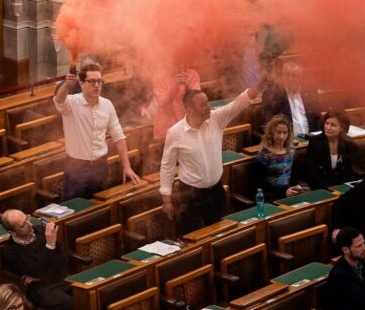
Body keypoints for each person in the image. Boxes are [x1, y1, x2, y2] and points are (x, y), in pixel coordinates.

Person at [160, 73, 269, 236]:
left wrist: (260, 84)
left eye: (208, 102)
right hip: (189, 196)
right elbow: (167, 167)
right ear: (189, 109)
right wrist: (166, 199)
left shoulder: (217, 119)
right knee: (192, 239)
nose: (209, 107)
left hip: (215, 192)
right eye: (203, 104)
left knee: (219, 237)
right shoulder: (175, 133)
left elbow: (240, 102)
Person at [53, 62, 141, 199]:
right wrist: (66, 86)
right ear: (82, 84)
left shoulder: (107, 105)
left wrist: (127, 166)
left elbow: (118, 136)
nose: (96, 85)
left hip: (100, 166)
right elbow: (59, 101)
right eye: (92, 81)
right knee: (75, 212)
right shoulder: (71, 103)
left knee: (99, 206)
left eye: (99, 81)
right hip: (77, 167)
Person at [0, 210, 72, 310]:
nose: (30, 224)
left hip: (62, 278)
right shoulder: (10, 252)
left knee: (84, 300)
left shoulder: (42, 231)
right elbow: (37, 271)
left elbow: (63, 260)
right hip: (42, 289)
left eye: (27, 218)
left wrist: (40, 275)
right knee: (75, 307)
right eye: (23, 225)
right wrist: (50, 245)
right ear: (12, 232)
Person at [297, 110, 361, 190]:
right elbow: (312, 172)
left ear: (342, 128)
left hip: (341, 186)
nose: (328, 127)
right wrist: (328, 188)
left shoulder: (348, 144)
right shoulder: (315, 142)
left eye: (333, 125)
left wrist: (341, 188)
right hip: (320, 187)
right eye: (327, 123)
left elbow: (348, 171)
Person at [259, 61, 321, 137]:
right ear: (282, 75)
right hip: (287, 141)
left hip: (311, 139)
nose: (290, 79)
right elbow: (269, 122)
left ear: (301, 77)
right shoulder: (272, 95)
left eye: (294, 76)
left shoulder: (310, 92)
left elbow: (318, 119)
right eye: (287, 75)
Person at [255, 114, 299, 201]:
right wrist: (284, 192)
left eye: (285, 132)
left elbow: (293, 175)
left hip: (289, 193)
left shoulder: (291, 149)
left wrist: (294, 188)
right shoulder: (264, 154)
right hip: (272, 196)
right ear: (271, 133)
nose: (282, 136)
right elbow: (261, 184)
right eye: (278, 132)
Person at [152, 66, 201, 140]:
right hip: (167, 131)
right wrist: (174, 87)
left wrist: (188, 88)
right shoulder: (158, 77)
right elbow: (162, 103)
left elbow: (197, 101)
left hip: (189, 127)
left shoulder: (192, 74)